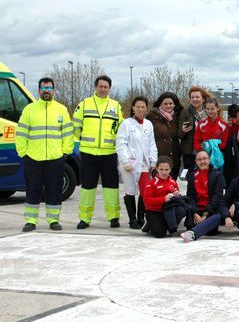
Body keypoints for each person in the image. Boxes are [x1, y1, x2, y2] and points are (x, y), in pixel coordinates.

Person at [16, 77, 74, 232]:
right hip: (33, 158)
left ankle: (53, 220)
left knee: (54, 190)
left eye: (49, 88)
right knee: (32, 189)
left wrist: (65, 153)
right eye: (43, 88)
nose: (46, 91)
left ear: (53, 90)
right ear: (39, 90)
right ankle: (30, 221)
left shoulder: (61, 109)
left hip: (56, 158)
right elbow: (21, 133)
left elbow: (68, 133)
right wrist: (24, 153)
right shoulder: (30, 109)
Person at [73, 75, 124, 229]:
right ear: (95, 87)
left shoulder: (116, 106)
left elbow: (121, 129)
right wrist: (82, 138)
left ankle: (113, 217)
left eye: (106, 87)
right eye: (100, 86)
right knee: (88, 187)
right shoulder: (84, 104)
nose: (103, 89)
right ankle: (85, 218)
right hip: (88, 153)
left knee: (111, 187)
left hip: (109, 153)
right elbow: (76, 124)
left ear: (109, 88)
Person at [116, 96, 158, 229]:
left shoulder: (148, 124)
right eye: (138, 106)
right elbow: (121, 144)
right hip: (130, 163)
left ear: (146, 108)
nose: (140, 109)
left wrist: (153, 160)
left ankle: (141, 217)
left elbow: (152, 143)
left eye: (143, 107)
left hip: (144, 163)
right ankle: (132, 219)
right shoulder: (126, 124)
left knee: (144, 191)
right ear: (133, 108)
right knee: (130, 190)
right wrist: (125, 161)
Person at [180, 150, 232, 242]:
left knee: (211, 230)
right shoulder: (192, 175)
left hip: (210, 210)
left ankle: (192, 234)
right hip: (197, 210)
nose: (202, 161)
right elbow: (190, 196)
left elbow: (217, 196)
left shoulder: (217, 175)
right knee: (192, 225)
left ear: (209, 159)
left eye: (204, 159)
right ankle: (194, 230)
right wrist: (195, 213)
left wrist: (205, 214)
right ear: (196, 161)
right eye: (199, 159)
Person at [143, 156, 189, 238]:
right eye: (161, 169)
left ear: (170, 169)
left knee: (182, 209)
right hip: (154, 211)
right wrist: (163, 199)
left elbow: (177, 195)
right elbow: (146, 200)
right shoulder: (151, 183)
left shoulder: (172, 182)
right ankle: (149, 225)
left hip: (168, 210)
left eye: (166, 170)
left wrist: (177, 194)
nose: (164, 172)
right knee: (159, 234)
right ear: (156, 169)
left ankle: (168, 227)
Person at [147, 92, 183, 179]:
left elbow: (181, 134)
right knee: (158, 186)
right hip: (159, 158)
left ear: (174, 104)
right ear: (160, 104)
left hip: (174, 158)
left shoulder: (178, 116)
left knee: (171, 185)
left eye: (170, 103)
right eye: (165, 104)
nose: (168, 106)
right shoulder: (152, 116)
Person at [177, 86, 211, 171]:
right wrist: (183, 131)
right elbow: (179, 135)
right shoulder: (185, 112)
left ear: (203, 99)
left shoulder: (208, 112)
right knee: (190, 176)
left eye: (197, 97)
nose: (194, 99)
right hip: (189, 152)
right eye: (192, 97)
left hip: (206, 150)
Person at [223, 104, 239, 187]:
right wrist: (237, 139)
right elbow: (229, 147)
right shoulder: (229, 129)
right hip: (231, 163)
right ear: (234, 119)